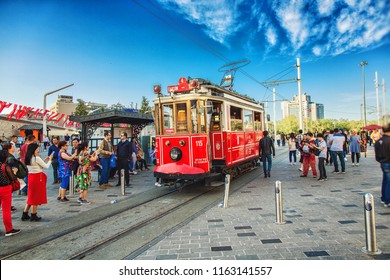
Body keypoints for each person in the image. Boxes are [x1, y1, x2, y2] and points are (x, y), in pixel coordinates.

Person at [21, 143, 52, 221]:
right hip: (37, 177)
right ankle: (33, 214)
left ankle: (25, 213)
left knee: (31, 196)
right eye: (37, 149)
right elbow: (46, 166)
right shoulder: (36, 158)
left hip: (31, 176)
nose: (38, 150)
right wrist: (50, 160)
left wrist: (44, 160)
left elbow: (36, 165)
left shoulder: (28, 158)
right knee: (35, 196)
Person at [0, 150, 21, 236]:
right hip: (5, 188)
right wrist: (15, 172)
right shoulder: (5, 166)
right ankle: (9, 230)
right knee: (6, 210)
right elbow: (12, 177)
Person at [374, 124, 390, 207]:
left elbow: (376, 154)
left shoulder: (378, 141)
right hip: (388, 162)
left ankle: (384, 198)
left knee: (385, 180)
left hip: (383, 162)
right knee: (388, 181)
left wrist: (380, 161)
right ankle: (387, 200)